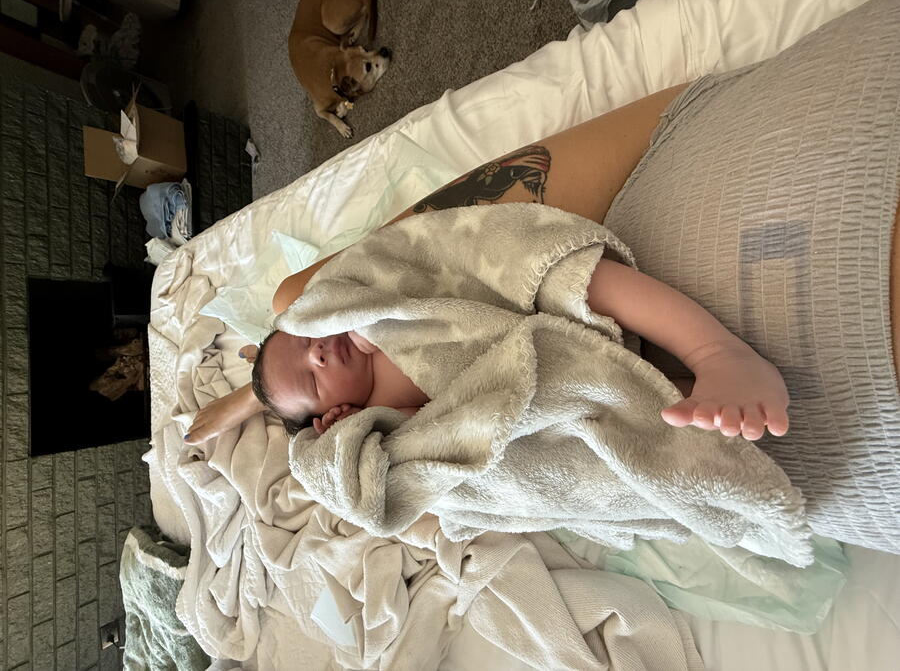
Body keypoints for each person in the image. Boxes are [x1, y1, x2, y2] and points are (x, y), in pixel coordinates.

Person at [183, 82, 831, 445]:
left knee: (583, 282)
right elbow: (443, 434)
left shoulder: (354, 317)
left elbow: (413, 272)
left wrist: (347, 321)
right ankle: (698, 401)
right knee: (617, 404)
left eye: (308, 344)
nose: (320, 352)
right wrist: (362, 424)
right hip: (526, 359)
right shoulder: (373, 416)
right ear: (331, 416)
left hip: (505, 283)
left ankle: (717, 351)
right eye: (314, 375)